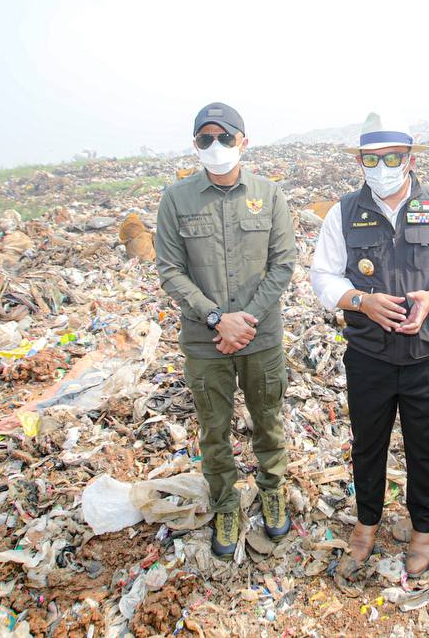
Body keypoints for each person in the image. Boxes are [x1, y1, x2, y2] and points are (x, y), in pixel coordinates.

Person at [310, 113, 429, 577]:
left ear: (408, 159)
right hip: (368, 356)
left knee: (427, 446)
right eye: (372, 158)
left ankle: (423, 531)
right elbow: (322, 275)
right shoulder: (344, 212)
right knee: (368, 444)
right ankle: (366, 525)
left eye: (392, 157)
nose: (382, 166)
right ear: (360, 161)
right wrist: (361, 301)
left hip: (427, 354)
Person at [155, 102, 298, 558]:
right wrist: (218, 319)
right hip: (206, 341)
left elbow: (283, 265)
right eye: (205, 139)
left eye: (225, 138)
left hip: (261, 338)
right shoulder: (176, 200)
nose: (216, 147)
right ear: (195, 144)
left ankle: (272, 490)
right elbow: (170, 270)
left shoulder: (269, 194)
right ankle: (225, 502)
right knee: (213, 429)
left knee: (268, 421)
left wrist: (245, 320)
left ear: (244, 141)